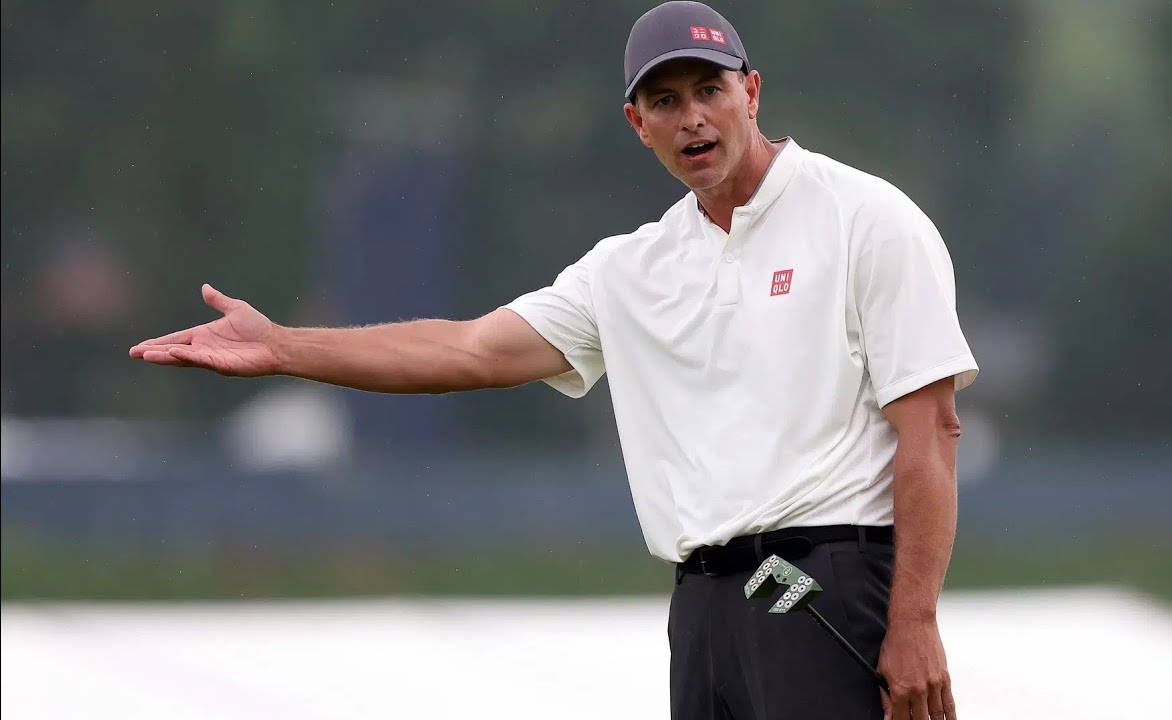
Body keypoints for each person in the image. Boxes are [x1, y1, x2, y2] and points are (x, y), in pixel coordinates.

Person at [129, 2, 977, 718]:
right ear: (637, 124)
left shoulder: (865, 219)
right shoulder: (630, 268)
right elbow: (470, 348)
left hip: (828, 587)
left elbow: (931, 430)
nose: (692, 118)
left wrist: (914, 623)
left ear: (750, 92)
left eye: (710, 91)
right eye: (665, 100)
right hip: (703, 608)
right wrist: (285, 347)